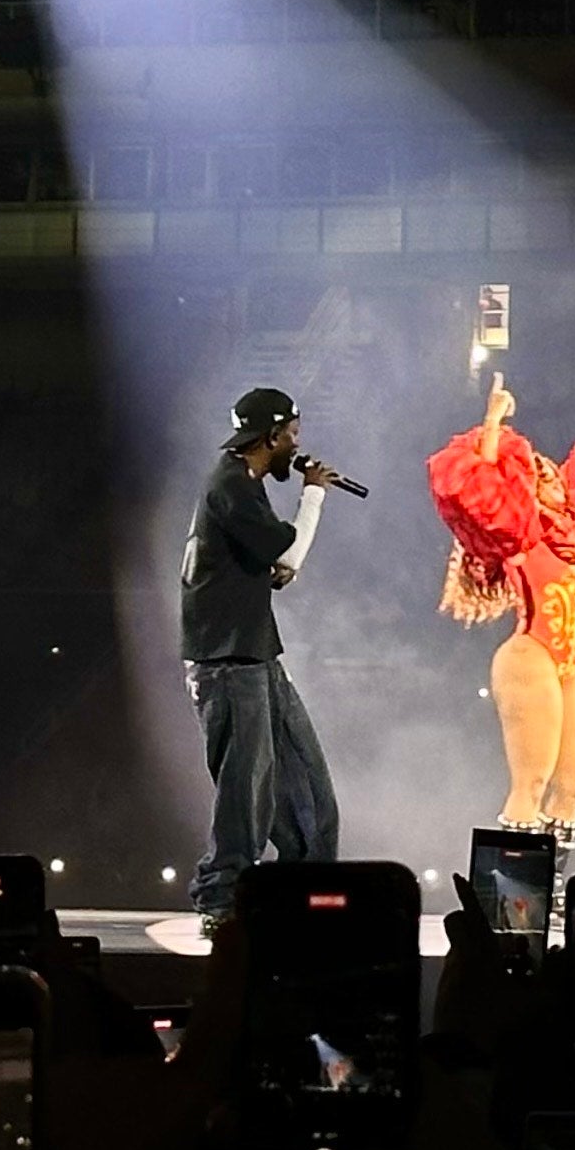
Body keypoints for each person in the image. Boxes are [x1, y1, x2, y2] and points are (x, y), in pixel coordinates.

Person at [426, 370, 575, 852]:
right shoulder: (521, 532)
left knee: (573, 790)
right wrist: (493, 422)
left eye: (556, 475)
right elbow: (476, 488)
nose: (555, 480)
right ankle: (511, 889)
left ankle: (554, 885)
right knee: (532, 782)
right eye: (542, 476)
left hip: (570, 665)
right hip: (530, 656)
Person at [178, 386, 344, 932]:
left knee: (308, 791)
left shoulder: (243, 485)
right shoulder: (231, 486)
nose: (297, 445)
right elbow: (288, 549)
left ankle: (304, 894)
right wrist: (314, 493)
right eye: (292, 434)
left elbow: (263, 560)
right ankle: (220, 901)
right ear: (270, 437)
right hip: (227, 663)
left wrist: (265, 572)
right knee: (245, 792)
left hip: (255, 655)